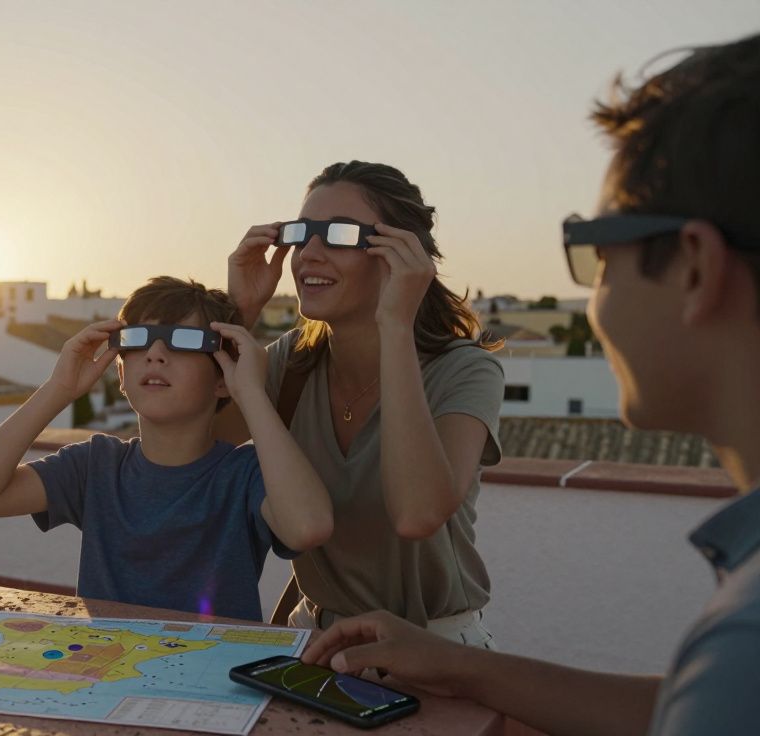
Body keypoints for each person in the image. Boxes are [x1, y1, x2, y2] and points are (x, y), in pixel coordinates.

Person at [301, 34, 760, 736]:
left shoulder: (740, 646)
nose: (595, 299)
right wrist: (462, 671)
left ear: (694, 265)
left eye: (595, 251)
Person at [220, 162, 504, 645]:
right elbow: (195, 444)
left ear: (401, 253)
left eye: (338, 235)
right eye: (301, 233)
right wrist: (239, 313)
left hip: (435, 648)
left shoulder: (463, 368)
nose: (308, 253)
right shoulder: (293, 361)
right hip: (314, 640)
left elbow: (418, 514)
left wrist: (395, 324)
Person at [0, 276, 333, 620]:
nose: (155, 353)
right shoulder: (95, 466)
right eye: (137, 340)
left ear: (223, 379)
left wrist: (251, 393)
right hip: (108, 675)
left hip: (213, 686)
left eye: (183, 341)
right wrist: (58, 389)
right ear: (120, 373)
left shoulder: (245, 475)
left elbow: (307, 528)